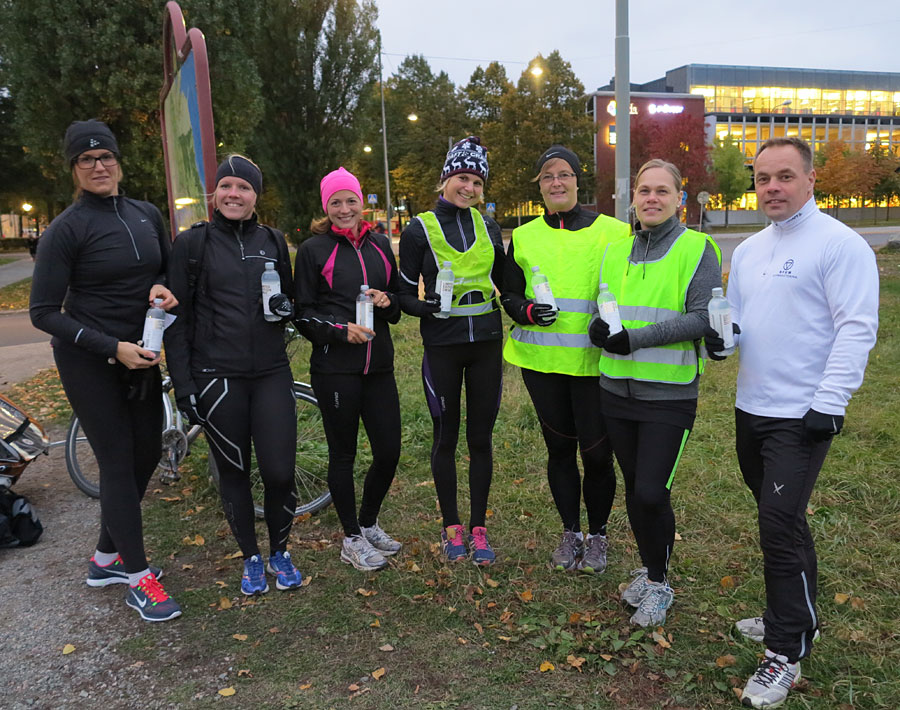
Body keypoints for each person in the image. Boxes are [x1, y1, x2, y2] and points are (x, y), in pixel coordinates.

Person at [705, 137, 878, 708]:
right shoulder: (751, 249)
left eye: (784, 176)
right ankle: (798, 617)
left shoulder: (840, 244)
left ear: (810, 179)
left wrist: (831, 400)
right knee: (783, 518)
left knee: (777, 527)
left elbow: (856, 326)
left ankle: (784, 651)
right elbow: (738, 319)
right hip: (751, 407)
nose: (772, 187)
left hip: (802, 415)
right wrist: (723, 342)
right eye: (763, 179)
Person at [30, 119, 181, 622]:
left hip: (141, 353)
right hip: (89, 360)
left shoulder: (145, 214)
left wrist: (162, 287)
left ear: (118, 161)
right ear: (74, 168)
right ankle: (139, 580)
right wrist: (111, 347)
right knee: (117, 462)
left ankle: (105, 559)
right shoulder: (65, 229)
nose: (98, 166)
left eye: (106, 156)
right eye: (86, 159)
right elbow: (43, 312)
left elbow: (164, 269)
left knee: (145, 455)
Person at [588, 159, 722, 626]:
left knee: (650, 491)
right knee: (634, 487)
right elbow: (603, 308)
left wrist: (636, 339)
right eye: (644, 190)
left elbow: (702, 317)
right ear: (633, 198)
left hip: (669, 395)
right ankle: (650, 570)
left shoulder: (697, 248)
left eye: (662, 191)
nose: (652, 198)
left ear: (679, 199)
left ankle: (661, 585)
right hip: (615, 389)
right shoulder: (614, 251)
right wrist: (598, 328)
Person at [165, 154, 303, 596]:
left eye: (243, 187)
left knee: (279, 472)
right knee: (235, 471)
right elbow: (176, 320)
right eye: (226, 186)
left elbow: (288, 301)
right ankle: (251, 557)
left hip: (271, 372)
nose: (233, 194)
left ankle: (280, 551)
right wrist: (184, 385)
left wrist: (287, 307)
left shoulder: (273, 240)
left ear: (255, 196)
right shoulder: (192, 244)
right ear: (215, 194)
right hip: (216, 376)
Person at [501, 145, 630, 574]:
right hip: (542, 365)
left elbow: (630, 289)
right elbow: (510, 293)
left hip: (595, 365)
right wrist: (525, 311)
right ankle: (570, 531)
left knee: (597, 455)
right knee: (558, 450)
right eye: (547, 176)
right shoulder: (524, 236)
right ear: (539, 186)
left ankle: (598, 535)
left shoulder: (614, 232)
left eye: (564, 174)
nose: (556, 182)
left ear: (578, 180)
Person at [397, 137, 504, 565]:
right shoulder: (418, 229)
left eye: (477, 182)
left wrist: (529, 306)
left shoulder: (489, 226)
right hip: (442, 345)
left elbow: (509, 282)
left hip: (487, 345)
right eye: (462, 178)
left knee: (480, 439)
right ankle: (451, 528)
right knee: (445, 437)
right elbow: (404, 295)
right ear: (445, 179)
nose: (469, 188)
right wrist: (424, 307)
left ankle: (478, 528)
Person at [294, 167, 402, 572]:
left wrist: (387, 301)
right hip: (335, 369)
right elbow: (302, 314)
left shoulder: (380, 245)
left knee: (389, 451)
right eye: (335, 202)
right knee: (344, 454)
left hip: (379, 367)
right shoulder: (313, 250)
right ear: (326, 207)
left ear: (361, 202)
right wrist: (341, 331)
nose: (344, 209)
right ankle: (351, 538)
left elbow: (396, 303)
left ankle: (368, 522)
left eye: (350, 200)